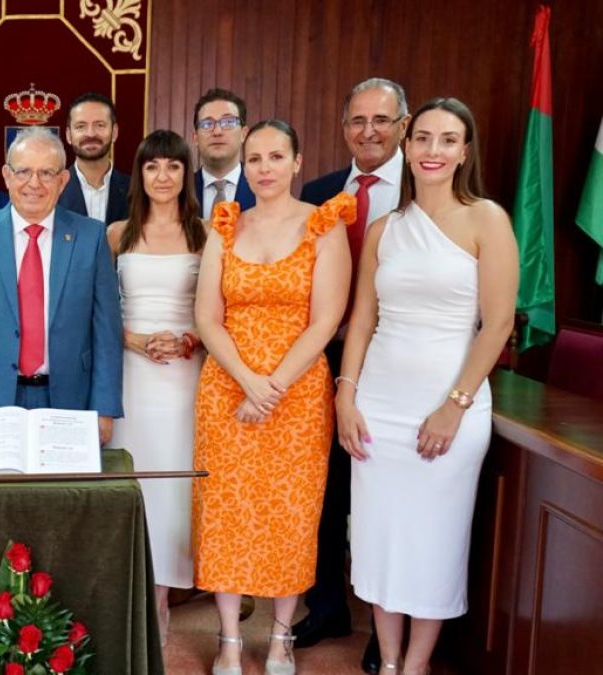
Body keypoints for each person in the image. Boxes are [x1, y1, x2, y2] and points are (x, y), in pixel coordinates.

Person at [338, 97, 517, 675]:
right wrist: (346, 395)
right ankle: (387, 660)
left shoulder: (487, 219)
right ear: (407, 146)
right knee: (381, 540)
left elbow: (500, 323)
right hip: (378, 408)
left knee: (433, 544)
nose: (432, 150)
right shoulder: (388, 228)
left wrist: (455, 405)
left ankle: (415, 666)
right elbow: (362, 320)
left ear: (465, 151)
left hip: (450, 407)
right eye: (423, 139)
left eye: (447, 140)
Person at [193, 119, 353, 675]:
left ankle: (282, 635)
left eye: (275, 156)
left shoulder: (324, 223)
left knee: (291, 514)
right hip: (228, 388)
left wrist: (273, 386)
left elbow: (327, 318)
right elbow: (207, 317)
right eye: (254, 158)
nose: (264, 168)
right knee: (227, 513)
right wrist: (247, 380)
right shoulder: (226, 224)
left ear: (297, 161)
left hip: (298, 393)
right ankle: (230, 639)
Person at [294, 77, 410, 674]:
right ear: (343, 129)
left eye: (381, 120)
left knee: (381, 495)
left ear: (404, 126)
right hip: (324, 358)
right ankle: (328, 605)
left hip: (394, 366)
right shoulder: (316, 194)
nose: (369, 131)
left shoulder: (423, 192)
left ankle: (383, 620)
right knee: (327, 487)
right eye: (358, 120)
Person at [0, 126, 123, 440]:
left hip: (70, 400)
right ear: (6, 175)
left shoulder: (91, 237)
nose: (34, 184)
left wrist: (105, 409)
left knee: (65, 491)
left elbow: (106, 332)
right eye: (24, 171)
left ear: (63, 180)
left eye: (46, 173)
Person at [104, 129, 206, 645]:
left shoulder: (204, 233)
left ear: (186, 175)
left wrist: (189, 339)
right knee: (134, 482)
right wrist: (139, 341)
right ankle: (135, 596)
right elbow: (100, 314)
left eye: (172, 167)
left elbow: (218, 313)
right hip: (132, 373)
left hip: (185, 377)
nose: (162, 177)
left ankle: (164, 599)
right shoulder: (117, 233)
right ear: (139, 174)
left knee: (174, 488)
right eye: (151, 167)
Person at [58, 92, 131, 225]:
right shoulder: (53, 189)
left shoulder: (136, 190)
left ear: (114, 132)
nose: (90, 134)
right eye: (81, 126)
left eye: (100, 125)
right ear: (69, 135)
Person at [192, 88, 256, 218]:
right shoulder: (181, 190)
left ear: (244, 134)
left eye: (228, 122)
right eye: (207, 124)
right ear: (195, 138)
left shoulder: (261, 187)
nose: (217, 131)